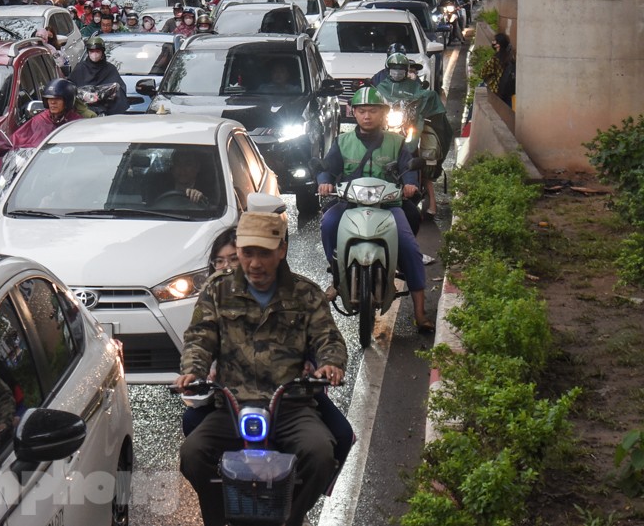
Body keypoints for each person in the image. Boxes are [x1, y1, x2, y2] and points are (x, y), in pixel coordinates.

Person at [175, 192, 346, 526]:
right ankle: (216, 518)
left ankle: (291, 518)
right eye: (247, 252)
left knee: (322, 453)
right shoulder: (217, 290)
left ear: (281, 251)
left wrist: (330, 363)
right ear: (238, 251)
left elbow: (328, 339)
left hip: (292, 406)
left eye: (264, 253)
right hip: (232, 405)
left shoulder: (306, 294)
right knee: (192, 455)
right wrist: (192, 371)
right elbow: (200, 337)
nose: (255, 263)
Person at [317, 86, 434, 331]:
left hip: (388, 205)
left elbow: (409, 167)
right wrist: (324, 182)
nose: (367, 116)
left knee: (410, 247)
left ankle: (420, 313)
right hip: (349, 203)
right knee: (328, 223)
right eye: (362, 111)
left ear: (382, 113)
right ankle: (337, 276)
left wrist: (411, 185)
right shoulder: (342, 141)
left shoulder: (397, 142)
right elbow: (327, 167)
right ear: (354, 113)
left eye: (372, 110)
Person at [373, 52, 452, 218]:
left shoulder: (414, 85)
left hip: (409, 126)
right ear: (388, 69)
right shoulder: (381, 87)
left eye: (401, 68)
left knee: (422, 156)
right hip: (387, 127)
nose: (397, 71)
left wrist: (418, 108)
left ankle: (431, 203)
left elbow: (425, 97)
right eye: (394, 68)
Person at [11, 78, 83, 151]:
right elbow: (14, 142)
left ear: (67, 101)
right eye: (49, 99)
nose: (52, 102)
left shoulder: (76, 122)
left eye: (57, 99)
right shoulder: (39, 120)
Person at [68, 36, 129, 115]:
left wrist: (104, 95)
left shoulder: (110, 69)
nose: (95, 54)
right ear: (88, 52)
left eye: (97, 51)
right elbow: (70, 88)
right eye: (92, 51)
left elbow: (120, 90)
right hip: (83, 111)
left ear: (102, 52)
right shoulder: (80, 68)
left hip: (106, 112)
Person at [480, 32, 516, 106]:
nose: (492, 42)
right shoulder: (510, 58)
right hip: (508, 90)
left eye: (494, 41)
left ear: (498, 45)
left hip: (497, 91)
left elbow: (482, 74)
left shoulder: (494, 60)